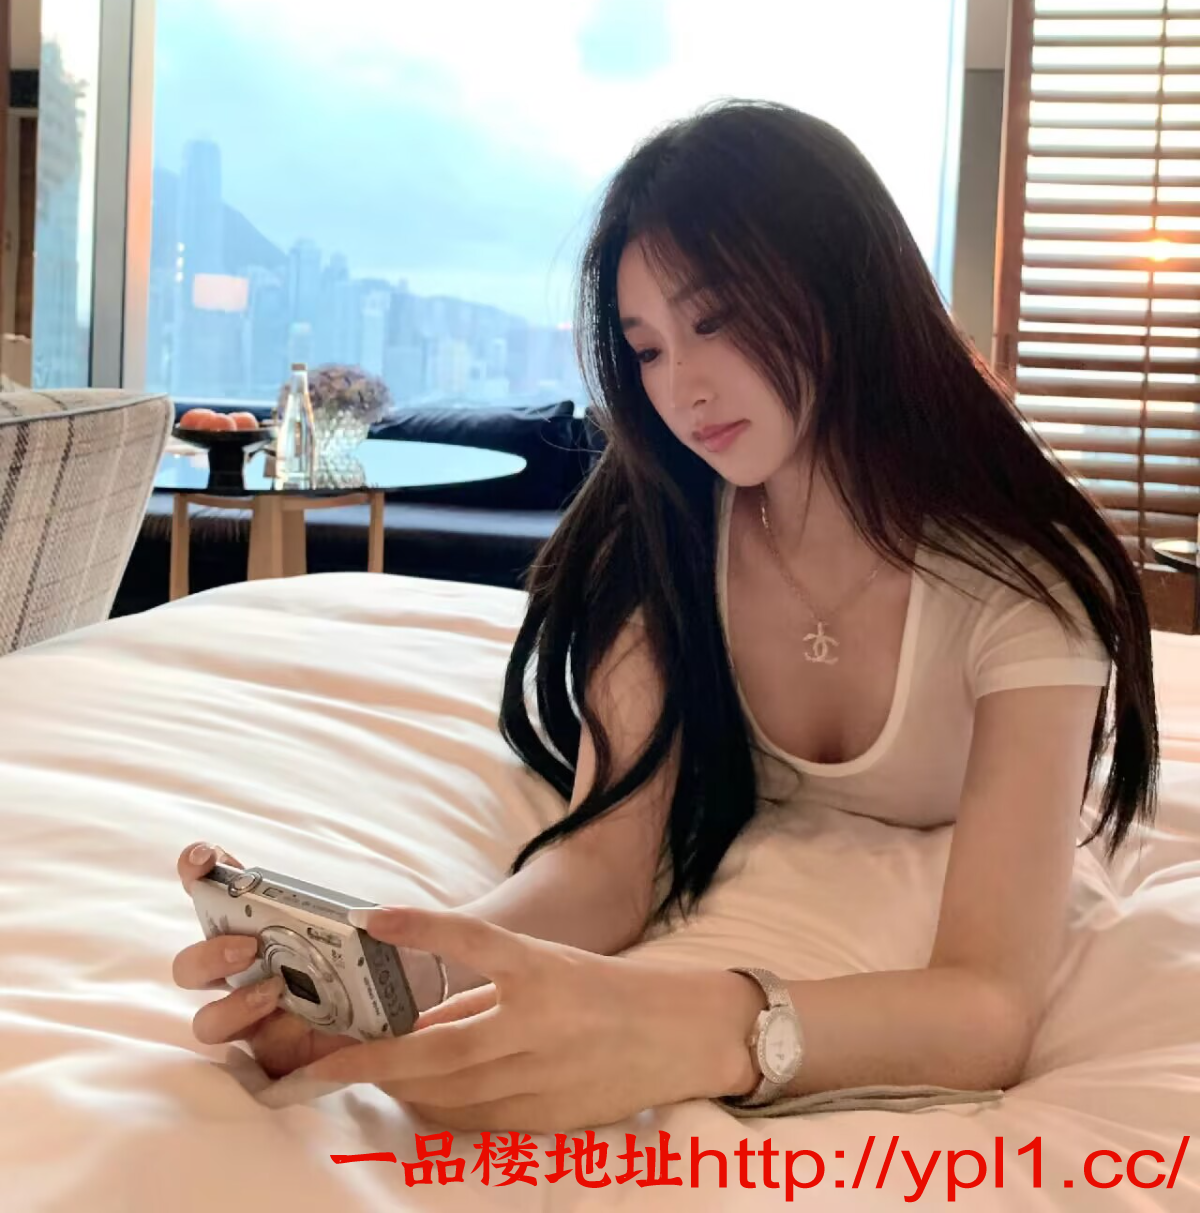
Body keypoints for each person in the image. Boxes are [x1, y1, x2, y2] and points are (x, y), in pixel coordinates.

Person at [173, 99, 1158, 1133]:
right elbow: (606, 865)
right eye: (646, 349)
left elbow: (988, 1005)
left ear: (844, 285)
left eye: (715, 321)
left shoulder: (1021, 586)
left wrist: (700, 1027)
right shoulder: (663, 531)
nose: (682, 387)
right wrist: (396, 981)